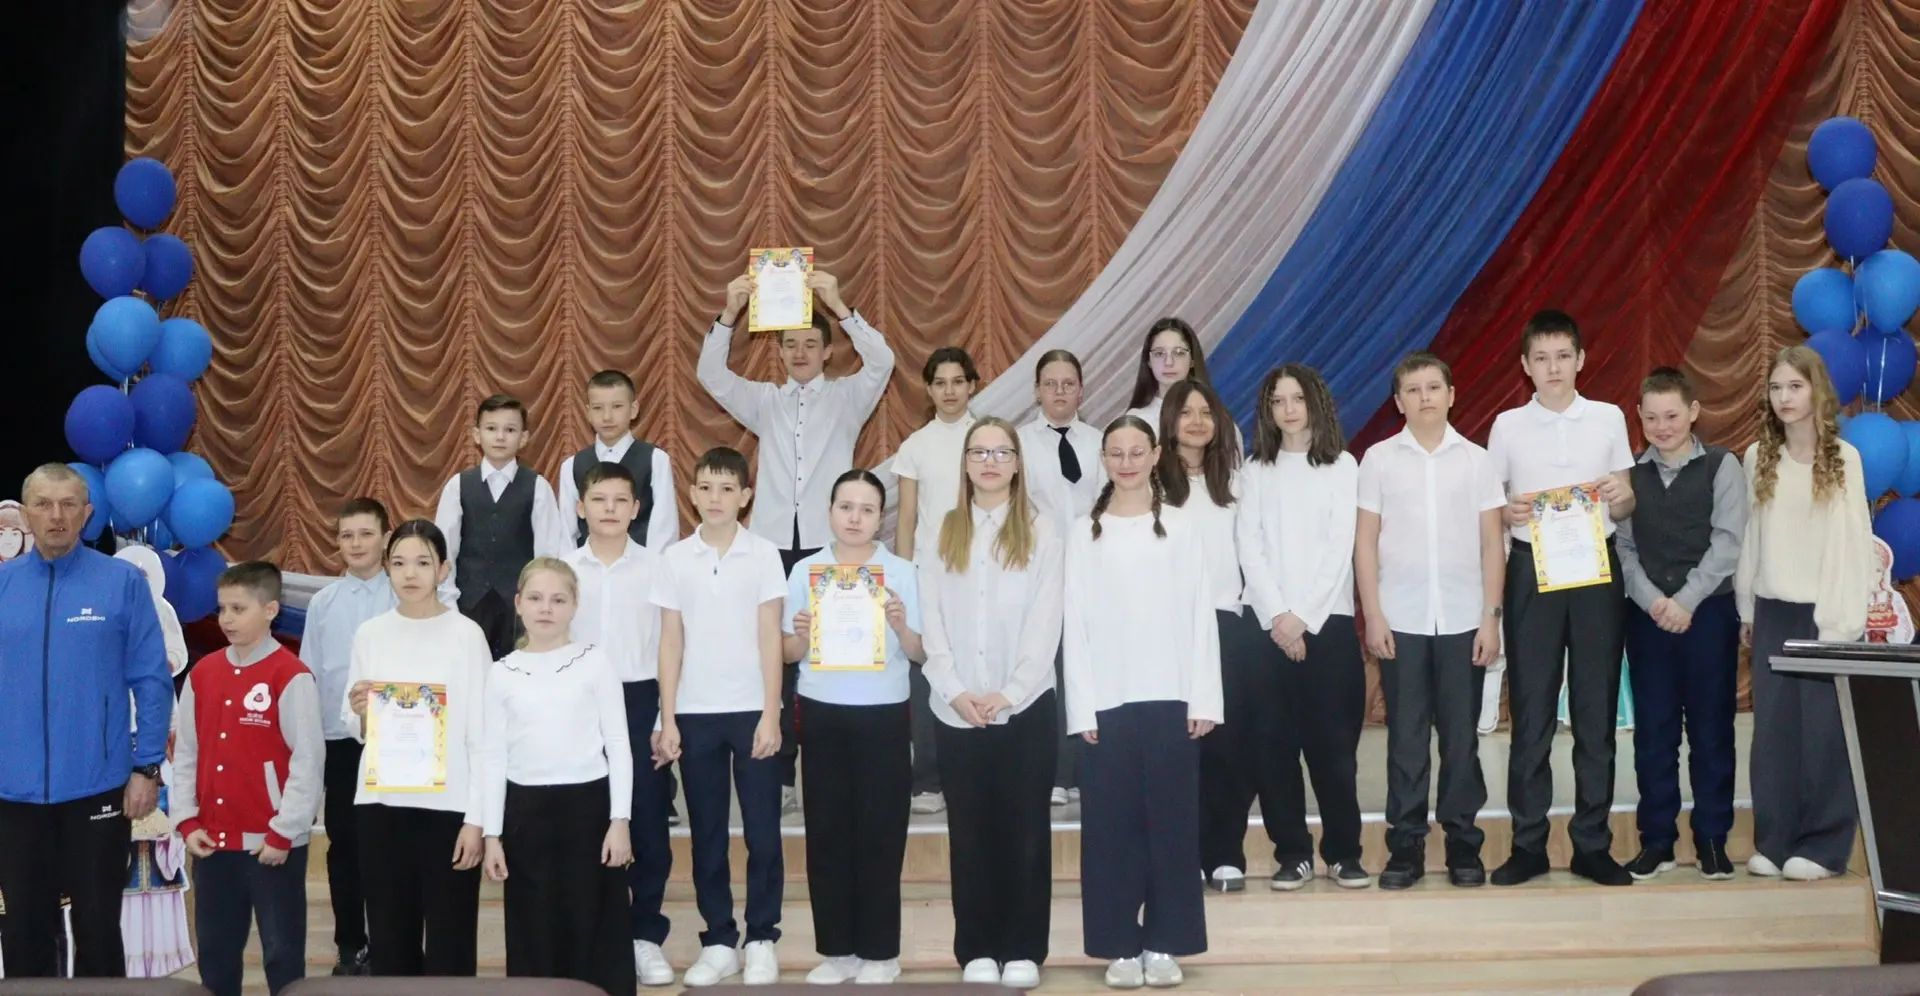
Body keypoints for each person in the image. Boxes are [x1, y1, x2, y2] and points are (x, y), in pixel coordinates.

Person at [699, 269, 896, 809]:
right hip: (770, 547)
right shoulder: (765, 400)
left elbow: (883, 361)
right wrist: (730, 313)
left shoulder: (849, 396)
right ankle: (782, 776)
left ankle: (831, 773)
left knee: (833, 654)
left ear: (829, 351)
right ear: (780, 351)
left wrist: (840, 305)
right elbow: (710, 374)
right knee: (776, 657)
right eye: (791, 344)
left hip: (829, 547)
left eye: (811, 343)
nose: (801, 352)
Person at [1064, 416, 1220, 990]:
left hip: (1172, 697)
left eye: (1137, 451)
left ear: (1156, 455)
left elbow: (1201, 614)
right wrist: (1082, 707)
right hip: (1107, 701)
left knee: (1172, 826)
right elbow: (1073, 622)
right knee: (1110, 829)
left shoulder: (1181, 527)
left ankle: (1164, 941)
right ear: (1104, 459)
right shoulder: (1082, 533)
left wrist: (1203, 697)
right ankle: (1118, 945)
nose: (1126, 462)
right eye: (1116, 453)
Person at [0, 463, 173, 978]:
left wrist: (147, 767)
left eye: (69, 504)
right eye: (43, 504)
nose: (56, 516)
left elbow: (151, 679)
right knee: (24, 928)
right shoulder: (3, 585)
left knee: (98, 927)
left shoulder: (121, 582)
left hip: (97, 787)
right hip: (13, 794)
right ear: (25, 514)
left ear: (87, 513)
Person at [1485, 310, 1636, 887]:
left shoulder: (1608, 417)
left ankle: (1592, 845)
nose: (1553, 368)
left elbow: (1625, 503)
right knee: (1531, 713)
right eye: (1541, 358)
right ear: (1526, 366)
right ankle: (1528, 845)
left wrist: (1621, 496)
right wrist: (1508, 511)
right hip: (1533, 568)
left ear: (1580, 359)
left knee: (1596, 713)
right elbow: (1494, 507)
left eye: (1563, 356)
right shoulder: (1507, 426)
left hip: (1596, 568)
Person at [1353, 353, 1505, 890]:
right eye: (1413, 390)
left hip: (1465, 619)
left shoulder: (1477, 461)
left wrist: (1491, 618)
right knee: (1407, 739)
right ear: (1399, 402)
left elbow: (1493, 544)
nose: (1425, 397)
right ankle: (1406, 846)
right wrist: (1374, 615)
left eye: (1433, 387)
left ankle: (1464, 843)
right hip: (1401, 619)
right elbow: (1365, 544)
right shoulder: (1377, 460)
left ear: (1451, 394)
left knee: (1462, 739)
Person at [921, 418, 1062, 989]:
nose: (989, 461)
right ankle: (977, 947)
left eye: (1001, 452)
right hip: (956, 709)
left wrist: (1010, 692)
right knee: (971, 833)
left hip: (1024, 707)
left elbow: (1045, 619)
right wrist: (954, 689)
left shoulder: (1042, 529)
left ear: (1018, 463)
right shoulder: (942, 528)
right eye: (979, 452)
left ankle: (1023, 947)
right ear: (965, 463)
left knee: (1025, 830)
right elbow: (932, 618)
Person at [1736, 345, 1876, 882]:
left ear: (1817, 391)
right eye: (1776, 388)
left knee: (1824, 731)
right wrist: (1747, 605)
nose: (1784, 397)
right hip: (1774, 609)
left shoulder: (1844, 458)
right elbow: (1753, 537)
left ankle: (1824, 846)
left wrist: (1841, 623)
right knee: (1773, 732)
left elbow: (1853, 543)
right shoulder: (1757, 457)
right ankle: (1774, 841)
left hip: (1825, 614)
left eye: (1794, 386)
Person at [650, 448, 789, 987]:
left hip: (752, 710)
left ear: (745, 497)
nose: (715, 498)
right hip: (695, 713)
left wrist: (771, 713)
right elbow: (670, 641)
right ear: (692, 494)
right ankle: (719, 940)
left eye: (727, 488)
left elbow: (770, 636)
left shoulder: (763, 555)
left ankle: (762, 937)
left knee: (763, 832)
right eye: (706, 487)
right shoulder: (674, 559)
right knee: (707, 833)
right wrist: (668, 718)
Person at [782, 470, 924, 986]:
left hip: (883, 713)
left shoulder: (901, 572)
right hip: (822, 712)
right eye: (846, 507)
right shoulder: (806, 571)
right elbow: (787, 653)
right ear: (830, 511)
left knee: (881, 833)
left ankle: (882, 952)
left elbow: (920, 652)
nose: (855, 517)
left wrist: (901, 626)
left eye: (867, 509)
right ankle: (837, 950)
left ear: (880, 518)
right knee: (827, 832)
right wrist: (801, 634)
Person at [1229, 368, 1369, 892]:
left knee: (1334, 749)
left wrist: (1302, 618)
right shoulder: (1254, 470)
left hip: (1326, 623)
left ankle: (1344, 853)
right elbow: (1249, 547)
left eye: (1297, 399)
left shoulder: (1342, 466)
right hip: (1266, 628)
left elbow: (1339, 546)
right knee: (1273, 748)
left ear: (1316, 404)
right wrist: (1278, 618)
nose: (1288, 409)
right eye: (1277, 401)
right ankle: (1292, 853)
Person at [1615, 367, 1747, 882]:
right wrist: (1654, 601)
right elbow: (1623, 548)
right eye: (1651, 418)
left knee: (1712, 731)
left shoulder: (1721, 465)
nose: (1662, 427)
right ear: (1639, 417)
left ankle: (1712, 839)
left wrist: (1686, 600)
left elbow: (1728, 542)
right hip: (1648, 618)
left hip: (1708, 614)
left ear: (1693, 412)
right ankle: (1657, 841)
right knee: (1654, 733)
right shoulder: (1630, 475)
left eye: (1671, 416)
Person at [481, 558, 635, 996]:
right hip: (525, 816)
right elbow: (493, 756)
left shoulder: (595, 663)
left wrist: (619, 821)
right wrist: (492, 835)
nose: (545, 608)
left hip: (589, 813)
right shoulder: (502, 673)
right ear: (518, 604)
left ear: (574, 606)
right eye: (535, 598)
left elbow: (618, 744)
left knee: (593, 925)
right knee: (534, 928)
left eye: (558, 599)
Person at [344, 520, 491, 976]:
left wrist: (477, 820)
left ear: (443, 569)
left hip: (449, 808)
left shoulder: (467, 635)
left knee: (451, 941)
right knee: (390, 940)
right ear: (387, 568)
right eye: (400, 563)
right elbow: (355, 725)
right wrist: (361, 709)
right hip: (381, 805)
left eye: (423, 563)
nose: (411, 574)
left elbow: (482, 735)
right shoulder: (370, 633)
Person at [173, 562, 325, 996]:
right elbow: (187, 752)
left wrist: (284, 832)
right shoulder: (203, 674)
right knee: (217, 956)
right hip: (212, 843)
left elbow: (308, 760)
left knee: (282, 955)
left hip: (271, 846)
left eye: (238, 609)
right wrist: (187, 820)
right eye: (222, 609)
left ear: (271, 610)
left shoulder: (290, 675)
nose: (226, 619)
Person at [562, 462, 677, 985]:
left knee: (647, 822)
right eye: (598, 499)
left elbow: (670, 647)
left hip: (639, 700)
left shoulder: (658, 568)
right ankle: (594, 934)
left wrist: (663, 718)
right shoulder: (563, 570)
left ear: (636, 509)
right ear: (580, 507)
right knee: (586, 818)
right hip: (577, 701)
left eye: (620, 500)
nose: (609, 509)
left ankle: (645, 935)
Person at [298, 498, 394, 976]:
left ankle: (391, 943)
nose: (356, 544)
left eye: (366, 534)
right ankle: (350, 945)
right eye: (346, 535)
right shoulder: (323, 603)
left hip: (399, 743)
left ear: (386, 538)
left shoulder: (405, 593)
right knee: (346, 847)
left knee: (392, 846)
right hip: (340, 743)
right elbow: (310, 674)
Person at [892, 346, 981, 815]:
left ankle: (974, 770)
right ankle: (927, 779)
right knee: (927, 672)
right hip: (928, 574)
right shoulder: (915, 445)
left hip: (980, 573)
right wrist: (904, 577)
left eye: (957, 381)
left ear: (972, 385)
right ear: (928, 389)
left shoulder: (987, 438)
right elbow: (906, 518)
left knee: (977, 666)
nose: (949, 391)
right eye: (940, 383)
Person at [1016, 350, 1103, 808]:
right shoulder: (1019, 443)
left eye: (1068, 383)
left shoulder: (1101, 442)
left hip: (1091, 572)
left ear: (1081, 390)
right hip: (1039, 572)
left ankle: (1084, 770)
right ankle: (1051, 771)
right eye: (1050, 384)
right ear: (1037, 390)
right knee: (1043, 672)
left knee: (1084, 671)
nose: (1060, 392)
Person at [434, 393, 572, 661]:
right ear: (476, 434)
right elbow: (445, 551)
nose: (500, 437)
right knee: (470, 673)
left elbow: (547, 554)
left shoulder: (537, 487)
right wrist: (448, 602)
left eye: (509, 430)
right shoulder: (458, 486)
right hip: (468, 604)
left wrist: (538, 602)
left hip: (519, 609)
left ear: (523, 438)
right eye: (491, 428)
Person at [114, 544, 193, 980]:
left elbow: (176, 658)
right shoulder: (106, 613)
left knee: (159, 836)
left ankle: (162, 952)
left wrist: (151, 661)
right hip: (112, 732)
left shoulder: (163, 611)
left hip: (156, 735)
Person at [557, 370, 679, 551]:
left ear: (633, 409)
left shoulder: (656, 459)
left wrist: (651, 566)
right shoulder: (572, 465)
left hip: (641, 563)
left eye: (617, 406)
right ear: (588, 412)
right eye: (598, 408)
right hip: (587, 564)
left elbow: (664, 527)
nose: (607, 417)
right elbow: (566, 533)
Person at [1122, 317, 1215, 432]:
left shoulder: (1215, 416)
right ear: (1149, 361)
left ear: (1192, 360)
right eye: (1159, 353)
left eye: (1179, 353)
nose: (1169, 362)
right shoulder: (1137, 421)